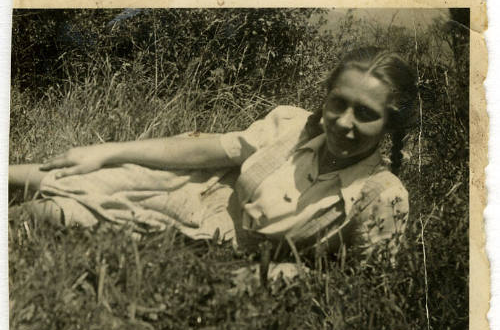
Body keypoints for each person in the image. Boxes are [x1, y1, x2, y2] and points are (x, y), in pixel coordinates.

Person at [9, 47, 416, 262]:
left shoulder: (380, 196)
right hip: (199, 186)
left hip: (212, 238)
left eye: (365, 114)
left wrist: (287, 272)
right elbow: (208, 149)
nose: (343, 123)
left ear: (390, 126)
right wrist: (105, 151)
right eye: (338, 103)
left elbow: (363, 285)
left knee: (48, 215)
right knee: (78, 173)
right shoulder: (294, 126)